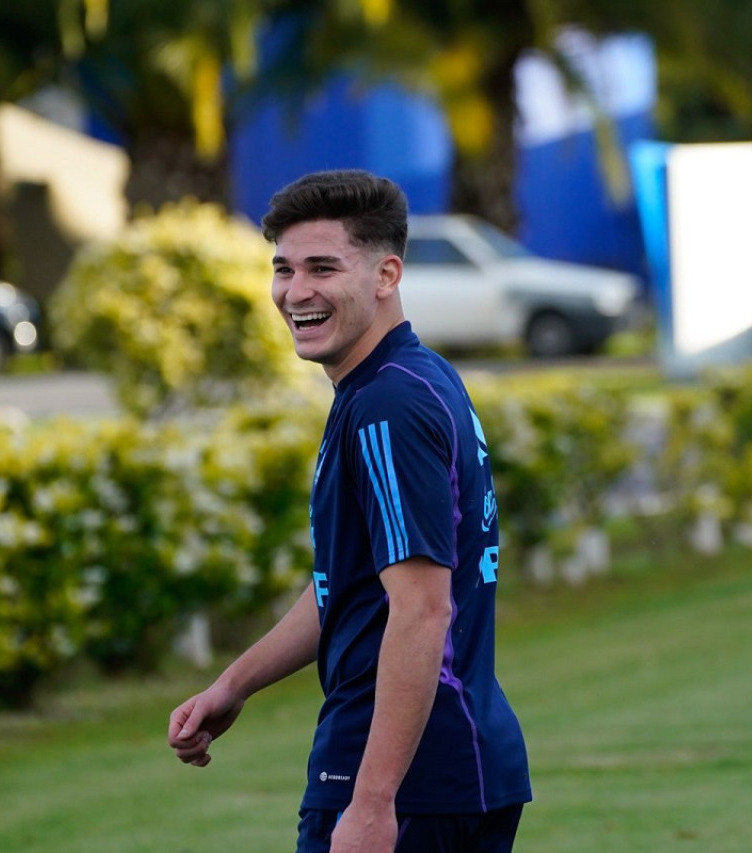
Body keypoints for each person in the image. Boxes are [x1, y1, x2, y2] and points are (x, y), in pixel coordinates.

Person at [167, 170, 532, 853]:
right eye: (283, 268)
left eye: (322, 268)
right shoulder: (410, 378)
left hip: (402, 779)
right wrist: (234, 684)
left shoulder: (387, 406)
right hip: (453, 766)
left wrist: (370, 803)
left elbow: (421, 609)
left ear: (386, 273)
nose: (296, 292)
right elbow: (349, 585)